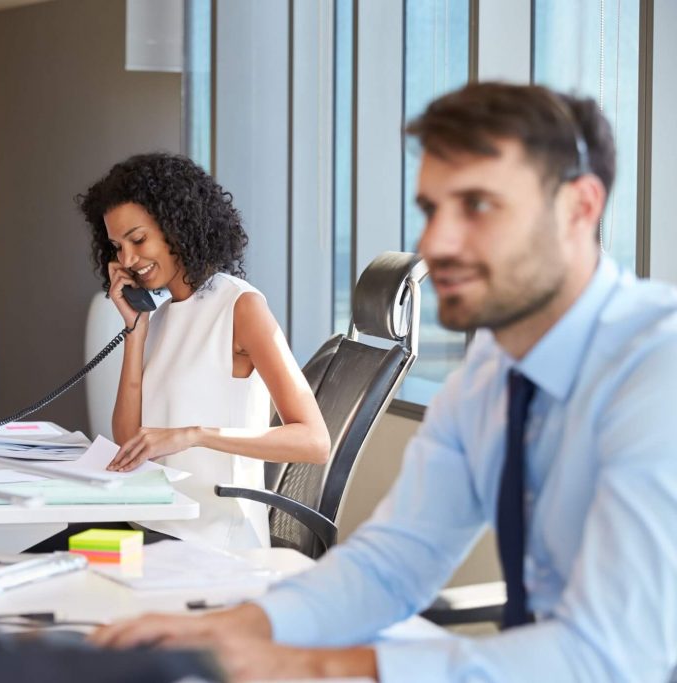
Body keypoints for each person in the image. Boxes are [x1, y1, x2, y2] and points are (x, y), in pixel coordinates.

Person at [91, 83, 677, 682]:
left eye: (476, 205)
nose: (436, 243)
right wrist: (230, 630)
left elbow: (614, 655)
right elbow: (392, 564)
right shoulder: (490, 377)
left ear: (579, 208)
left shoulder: (658, 371)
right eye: (431, 210)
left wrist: (313, 666)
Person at [77, 153, 330, 549]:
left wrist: (194, 435)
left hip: (215, 541)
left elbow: (314, 441)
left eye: (138, 239)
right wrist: (135, 329)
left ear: (177, 228)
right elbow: (129, 440)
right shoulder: (159, 317)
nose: (126, 260)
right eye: (116, 246)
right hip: (156, 528)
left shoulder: (240, 306)